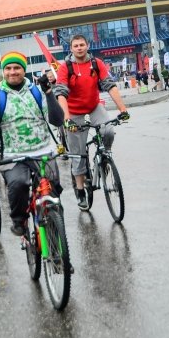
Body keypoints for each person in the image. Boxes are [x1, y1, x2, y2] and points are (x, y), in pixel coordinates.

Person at [0, 52, 64, 237]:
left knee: (54, 192)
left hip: (43, 151)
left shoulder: (36, 91)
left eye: (17, 68)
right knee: (18, 185)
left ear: (24, 70)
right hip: (13, 154)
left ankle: (59, 251)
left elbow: (57, 120)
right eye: (8, 68)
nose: (12, 72)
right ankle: (19, 221)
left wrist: (49, 92)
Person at [53, 34, 130, 210]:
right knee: (78, 154)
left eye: (82, 45)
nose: (79, 48)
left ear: (87, 46)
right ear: (71, 49)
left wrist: (123, 110)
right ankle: (80, 190)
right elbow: (61, 94)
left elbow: (109, 85)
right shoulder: (66, 68)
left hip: (94, 107)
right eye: (75, 45)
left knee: (108, 130)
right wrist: (67, 120)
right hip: (73, 112)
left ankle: (105, 156)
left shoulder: (97, 64)